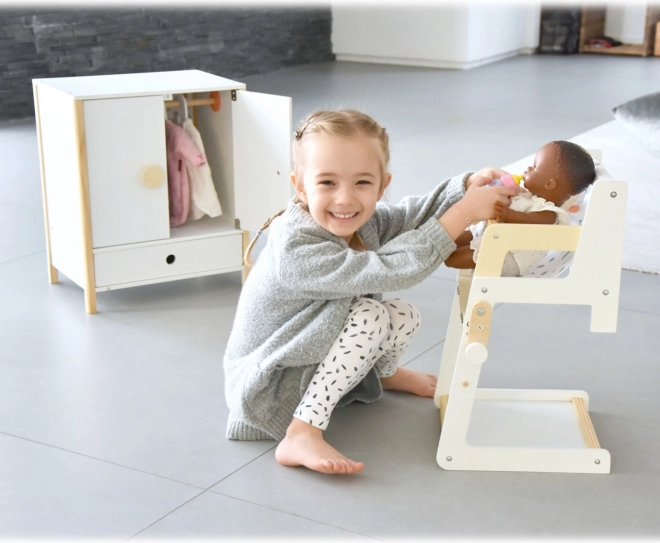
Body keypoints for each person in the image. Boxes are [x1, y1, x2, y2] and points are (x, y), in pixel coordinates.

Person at [223, 110, 518, 475]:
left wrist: (467, 184)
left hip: (307, 361)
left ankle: (381, 373)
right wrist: (462, 214)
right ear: (300, 187)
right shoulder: (297, 246)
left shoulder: (363, 222)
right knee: (371, 314)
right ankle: (301, 433)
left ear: (381, 186)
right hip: (270, 383)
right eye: (327, 182)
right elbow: (390, 269)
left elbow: (412, 215)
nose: (345, 199)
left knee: (403, 314)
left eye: (362, 182)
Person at [444, 140, 596, 275]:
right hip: (489, 235)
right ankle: (440, 246)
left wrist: (509, 215)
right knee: (448, 240)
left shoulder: (551, 213)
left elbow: (530, 220)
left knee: (452, 259)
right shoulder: (529, 197)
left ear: (549, 184)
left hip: (507, 254)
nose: (528, 167)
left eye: (534, 167)